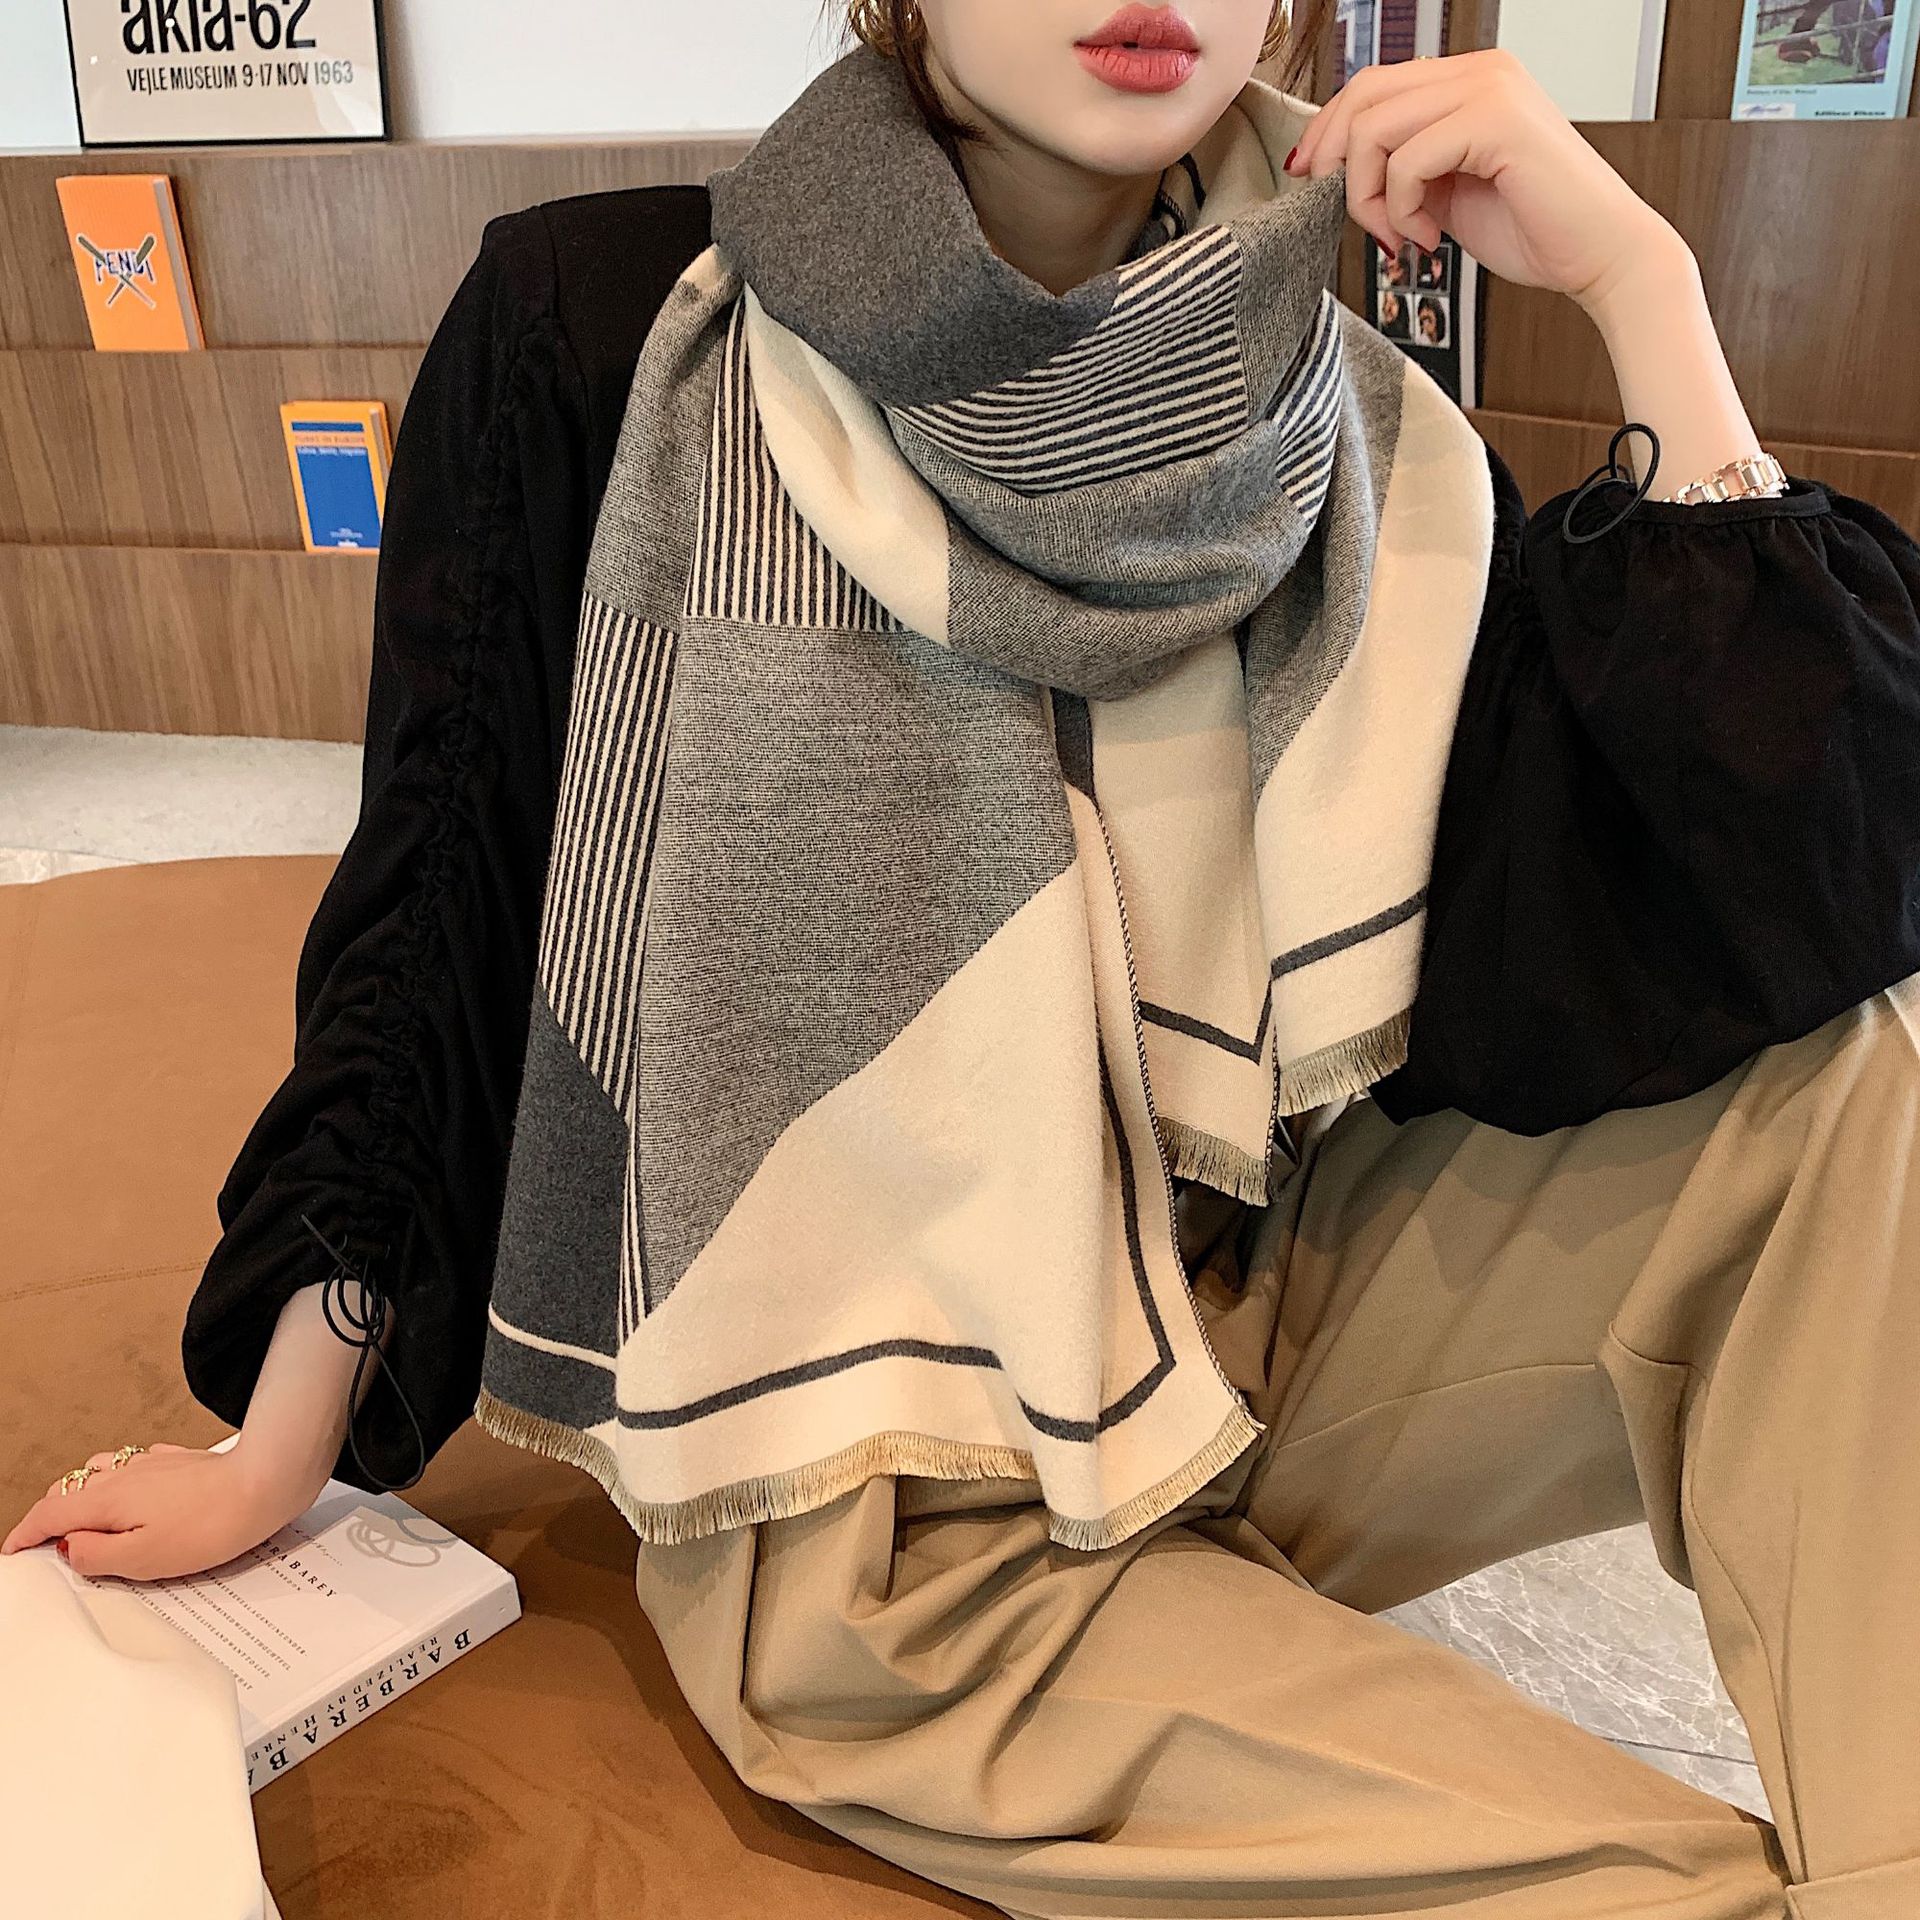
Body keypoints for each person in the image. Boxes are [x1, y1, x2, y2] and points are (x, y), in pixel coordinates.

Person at [9, 3, 1920, 1915]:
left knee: (1850, 1087)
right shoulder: (608, 329)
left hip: (1254, 1336)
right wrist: (276, 1451)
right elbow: (440, 899)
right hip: (882, 1499)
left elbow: (1750, 914)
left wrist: (1645, 288)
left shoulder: (1347, 416)